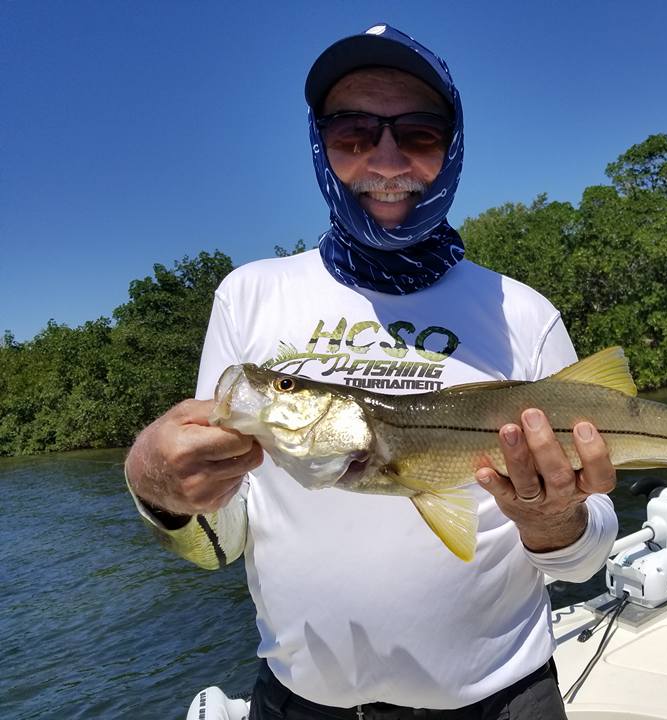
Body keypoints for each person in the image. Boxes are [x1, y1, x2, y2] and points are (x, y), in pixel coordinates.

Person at [125, 24, 618, 719]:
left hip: (501, 701)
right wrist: (156, 486)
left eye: (418, 133)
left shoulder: (524, 312)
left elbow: (583, 561)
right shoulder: (249, 295)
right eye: (353, 133)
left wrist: (555, 520)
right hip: (299, 705)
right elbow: (220, 542)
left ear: (453, 147)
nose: (386, 161)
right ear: (319, 144)